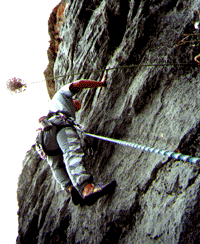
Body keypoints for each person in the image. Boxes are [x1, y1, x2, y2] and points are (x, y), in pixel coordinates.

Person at [46, 74, 109, 205]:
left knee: (57, 165)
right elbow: (79, 84)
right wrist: (100, 83)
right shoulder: (61, 94)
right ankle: (87, 189)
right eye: (76, 105)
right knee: (72, 151)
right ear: (72, 99)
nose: (76, 107)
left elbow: (56, 165)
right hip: (59, 124)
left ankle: (70, 188)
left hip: (46, 139)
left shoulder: (52, 108)